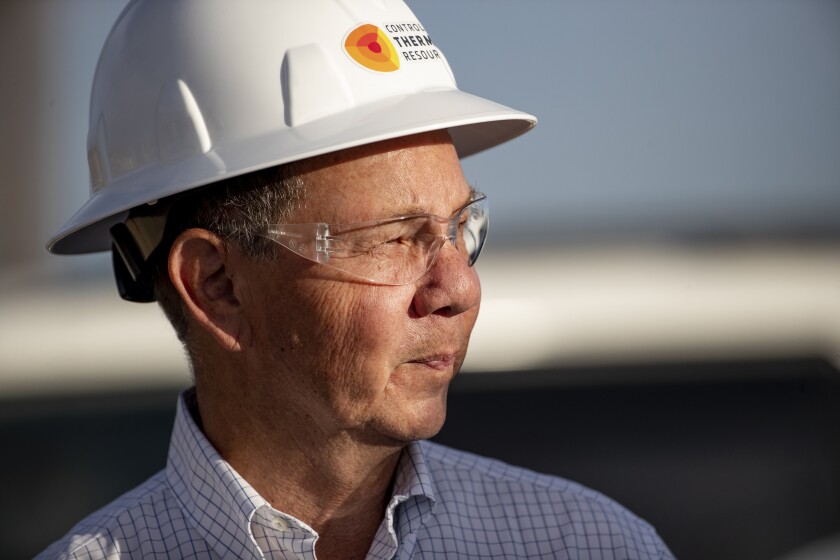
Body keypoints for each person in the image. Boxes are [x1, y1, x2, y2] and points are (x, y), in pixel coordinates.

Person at [39, 1, 674, 558]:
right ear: (217, 286)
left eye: (460, 228)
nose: (459, 289)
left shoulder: (589, 545)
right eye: (395, 238)